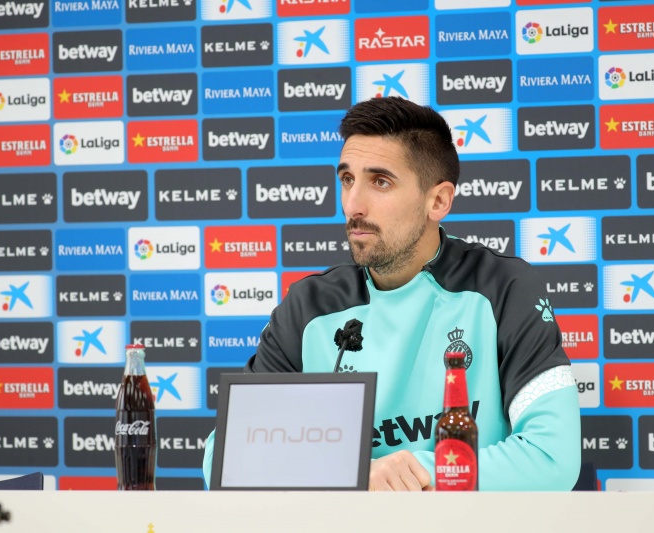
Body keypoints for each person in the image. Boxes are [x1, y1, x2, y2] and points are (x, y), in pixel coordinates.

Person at [203, 96, 581, 491]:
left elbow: (552, 457)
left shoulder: (503, 288)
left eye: (380, 182)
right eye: (347, 180)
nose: (353, 205)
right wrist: (353, 476)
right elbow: (223, 461)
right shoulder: (308, 307)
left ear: (438, 200)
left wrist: (411, 473)